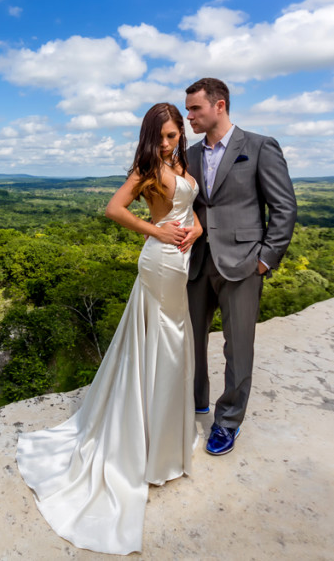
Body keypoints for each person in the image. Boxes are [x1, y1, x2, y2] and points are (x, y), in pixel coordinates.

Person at [16, 103, 203, 555]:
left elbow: (190, 210)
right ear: (149, 136)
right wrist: (155, 232)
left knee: (175, 342)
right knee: (166, 344)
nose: (167, 142)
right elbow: (114, 208)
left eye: (173, 134)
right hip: (160, 261)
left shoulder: (183, 162)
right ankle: (145, 446)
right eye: (160, 136)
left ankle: (164, 439)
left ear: (180, 133)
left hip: (181, 260)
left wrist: (194, 228)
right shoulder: (148, 167)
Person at [183, 77, 297, 456]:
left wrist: (265, 260)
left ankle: (227, 421)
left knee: (239, 349)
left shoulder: (261, 147)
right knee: (190, 341)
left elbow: (284, 208)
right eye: (188, 109)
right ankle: (196, 401)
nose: (189, 116)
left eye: (195, 108)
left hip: (244, 264)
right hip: (198, 262)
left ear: (220, 105)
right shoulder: (192, 155)